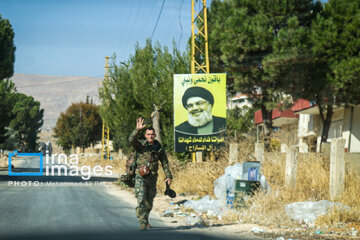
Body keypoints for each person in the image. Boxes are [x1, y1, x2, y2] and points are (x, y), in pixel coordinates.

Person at [128, 117, 173, 231]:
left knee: (150, 200)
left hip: (152, 177)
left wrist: (168, 176)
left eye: (152, 134)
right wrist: (137, 130)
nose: (150, 136)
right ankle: (142, 222)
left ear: (155, 135)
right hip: (140, 176)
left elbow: (164, 163)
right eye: (148, 134)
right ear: (145, 135)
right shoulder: (140, 145)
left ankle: (146, 219)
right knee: (141, 198)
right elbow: (131, 140)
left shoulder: (158, 147)